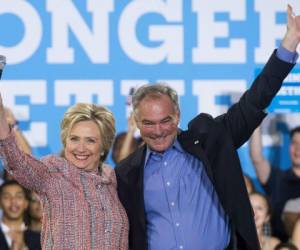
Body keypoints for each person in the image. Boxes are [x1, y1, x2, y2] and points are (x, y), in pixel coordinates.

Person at [115, 5, 300, 250]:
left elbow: (253, 101)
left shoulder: (209, 141)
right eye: (149, 123)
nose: (158, 130)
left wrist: (288, 45)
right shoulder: (127, 172)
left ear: (178, 115)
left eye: (166, 120)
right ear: (137, 123)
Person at [0, 103, 129, 249]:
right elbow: (16, 160)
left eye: (90, 140)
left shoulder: (112, 178)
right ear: (65, 141)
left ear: (103, 146)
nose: (80, 148)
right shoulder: (54, 173)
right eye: (74, 139)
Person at [250, 125, 300, 240]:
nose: (298, 148)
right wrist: (255, 115)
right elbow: (256, 157)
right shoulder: (277, 178)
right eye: (295, 143)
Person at [0, 180, 41, 250]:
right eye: (7, 197)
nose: (13, 201)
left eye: (19, 197)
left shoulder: (41, 239)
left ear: (26, 203)